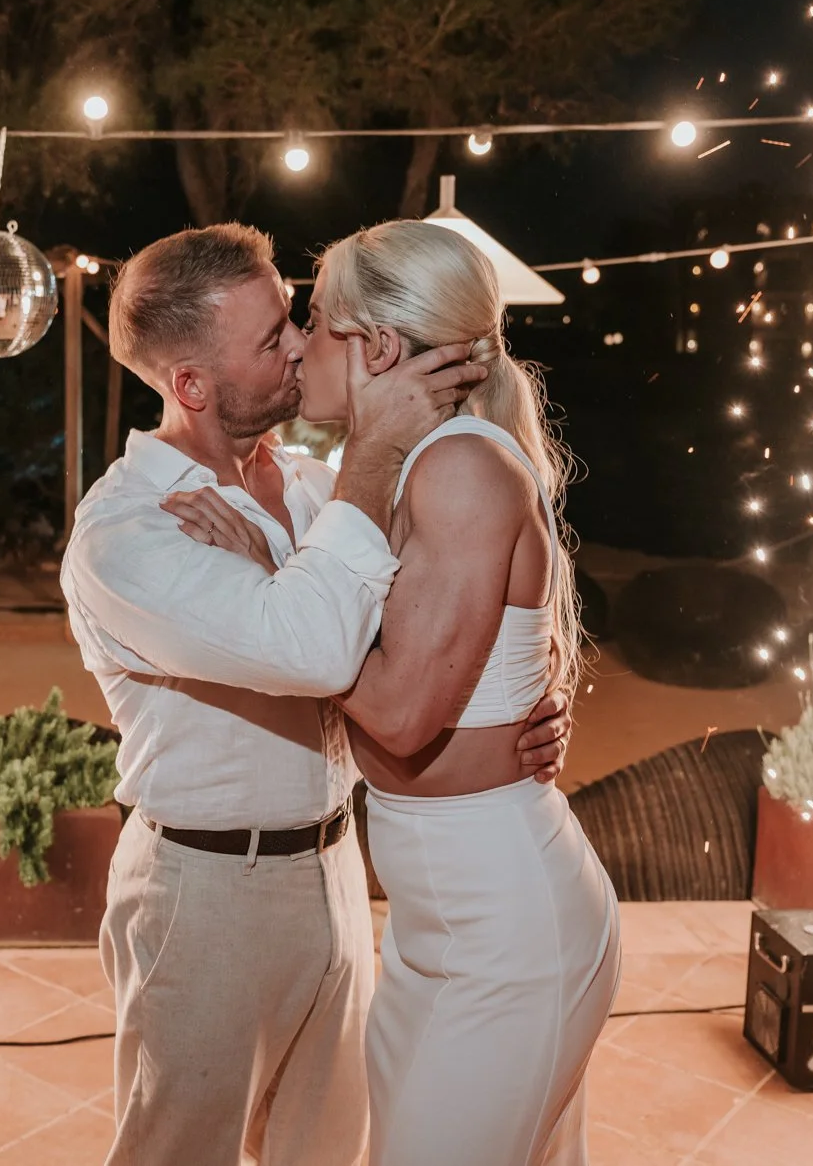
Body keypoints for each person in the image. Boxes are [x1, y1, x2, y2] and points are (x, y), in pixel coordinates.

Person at [61, 223, 573, 1166]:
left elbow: (425, 645)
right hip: (207, 893)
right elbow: (310, 646)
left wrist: (509, 714)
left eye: (295, 318)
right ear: (191, 386)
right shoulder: (130, 534)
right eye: (271, 339)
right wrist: (372, 458)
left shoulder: (312, 492)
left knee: (330, 1152)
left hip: (341, 875)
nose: (300, 342)